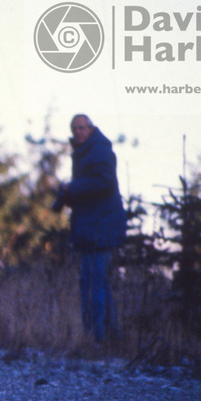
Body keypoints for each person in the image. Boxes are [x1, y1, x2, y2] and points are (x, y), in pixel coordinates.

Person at [53, 114, 128, 342]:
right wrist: (67, 194)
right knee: (97, 283)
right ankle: (108, 338)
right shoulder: (84, 152)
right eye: (74, 128)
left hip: (100, 230)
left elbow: (106, 183)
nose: (78, 132)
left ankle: (95, 340)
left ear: (91, 128)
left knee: (94, 285)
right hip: (91, 229)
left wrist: (73, 186)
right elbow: (90, 192)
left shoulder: (99, 149)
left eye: (82, 128)